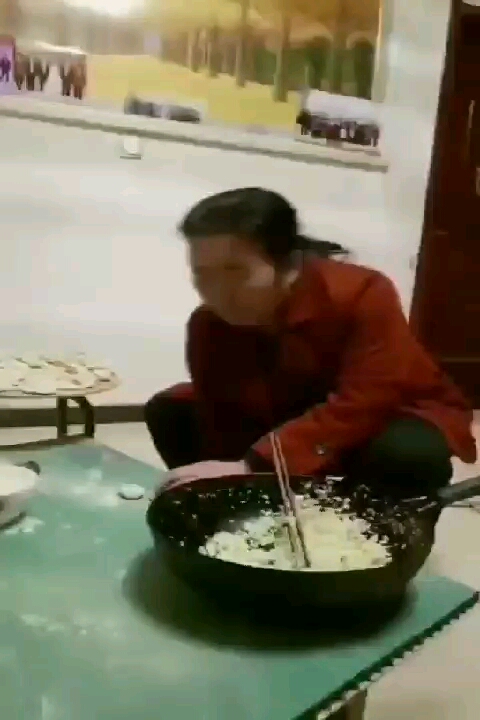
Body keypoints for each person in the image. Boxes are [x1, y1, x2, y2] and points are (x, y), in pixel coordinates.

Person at [146, 188, 476, 498]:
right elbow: (219, 414)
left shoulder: (361, 292)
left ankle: (368, 526)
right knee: (169, 411)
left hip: (389, 410)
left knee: (408, 453)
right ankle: (230, 510)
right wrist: (228, 472)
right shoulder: (207, 323)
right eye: (202, 274)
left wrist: (257, 463)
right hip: (289, 408)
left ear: (288, 265)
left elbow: (368, 399)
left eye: (236, 271)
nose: (217, 292)